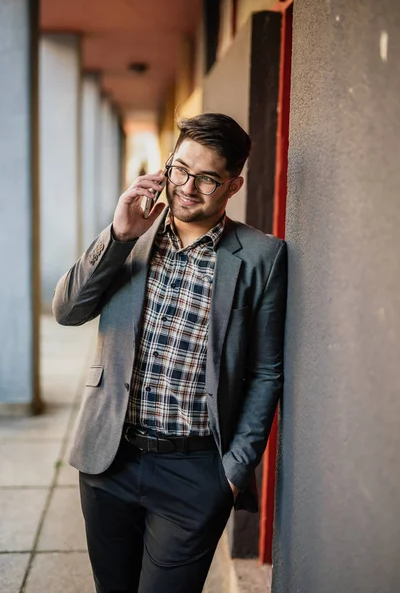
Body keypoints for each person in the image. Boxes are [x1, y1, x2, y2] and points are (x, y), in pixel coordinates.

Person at [53, 113, 287, 593]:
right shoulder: (132, 236)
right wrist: (116, 237)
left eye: (206, 178)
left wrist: (234, 471)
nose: (187, 187)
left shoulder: (262, 257)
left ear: (233, 184)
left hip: (195, 473)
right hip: (109, 460)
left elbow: (266, 371)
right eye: (179, 169)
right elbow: (68, 310)